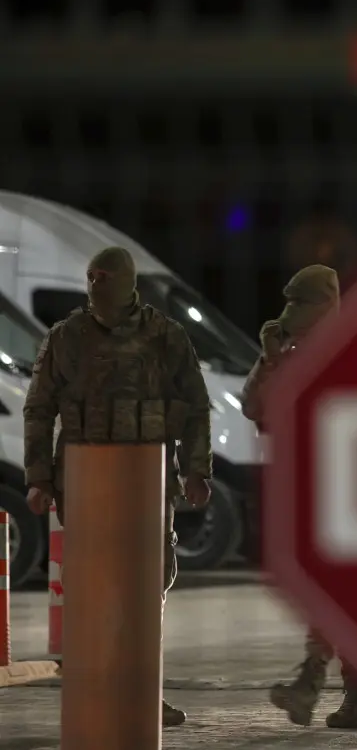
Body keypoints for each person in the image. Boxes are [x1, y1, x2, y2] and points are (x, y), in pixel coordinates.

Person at [23, 247, 213, 728]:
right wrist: (39, 478)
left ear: (128, 282)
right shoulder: (66, 338)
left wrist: (196, 471)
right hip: (84, 480)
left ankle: (141, 692)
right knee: (92, 585)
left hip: (147, 481)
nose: (95, 284)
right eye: (90, 276)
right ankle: (97, 692)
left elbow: (194, 405)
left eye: (104, 277)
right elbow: (39, 409)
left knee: (149, 583)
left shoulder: (165, 336)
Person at [241, 264, 357, 730]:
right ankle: (338, 692)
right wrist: (271, 358)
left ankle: (322, 686)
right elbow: (254, 407)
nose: (292, 316)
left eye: (301, 305)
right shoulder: (295, 354)